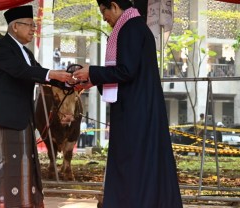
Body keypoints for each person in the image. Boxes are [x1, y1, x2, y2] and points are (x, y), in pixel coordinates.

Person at [73, 0, 183, 207]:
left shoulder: (130, 28)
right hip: (138, 107)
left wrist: (93, 71)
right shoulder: (133, 26)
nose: (104, 18)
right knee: (140, 164)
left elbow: (126, 71)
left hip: (136, 111)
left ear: (114, 6)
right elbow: (125, 72)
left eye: (103, 11)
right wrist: (93, 79)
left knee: (133, 164)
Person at [0, 5, 72, 208]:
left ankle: (27, 203)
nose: (34, 30)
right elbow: (20, 71)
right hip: (7, 119)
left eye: (35, 26)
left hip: (23, 119)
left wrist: (69, 80)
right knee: (8, 169)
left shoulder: (25, 51)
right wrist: (51, 74)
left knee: (26, 167)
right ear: (15, 26)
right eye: (30, 25)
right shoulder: (1, 47)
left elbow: (37, 72)